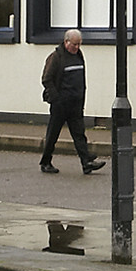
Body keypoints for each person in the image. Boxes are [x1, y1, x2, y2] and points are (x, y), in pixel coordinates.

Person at [40, 29, 104, 175]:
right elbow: (46, 79)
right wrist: (56, 99)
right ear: (66, 42)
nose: (76, 47)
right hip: (60, 104)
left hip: (76, 104)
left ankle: (86, 162)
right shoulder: (56, 57)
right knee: (53, 134)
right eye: (74, 44)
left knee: (79, 133)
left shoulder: (79, 55)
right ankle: (45, 161)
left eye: (79, 44)